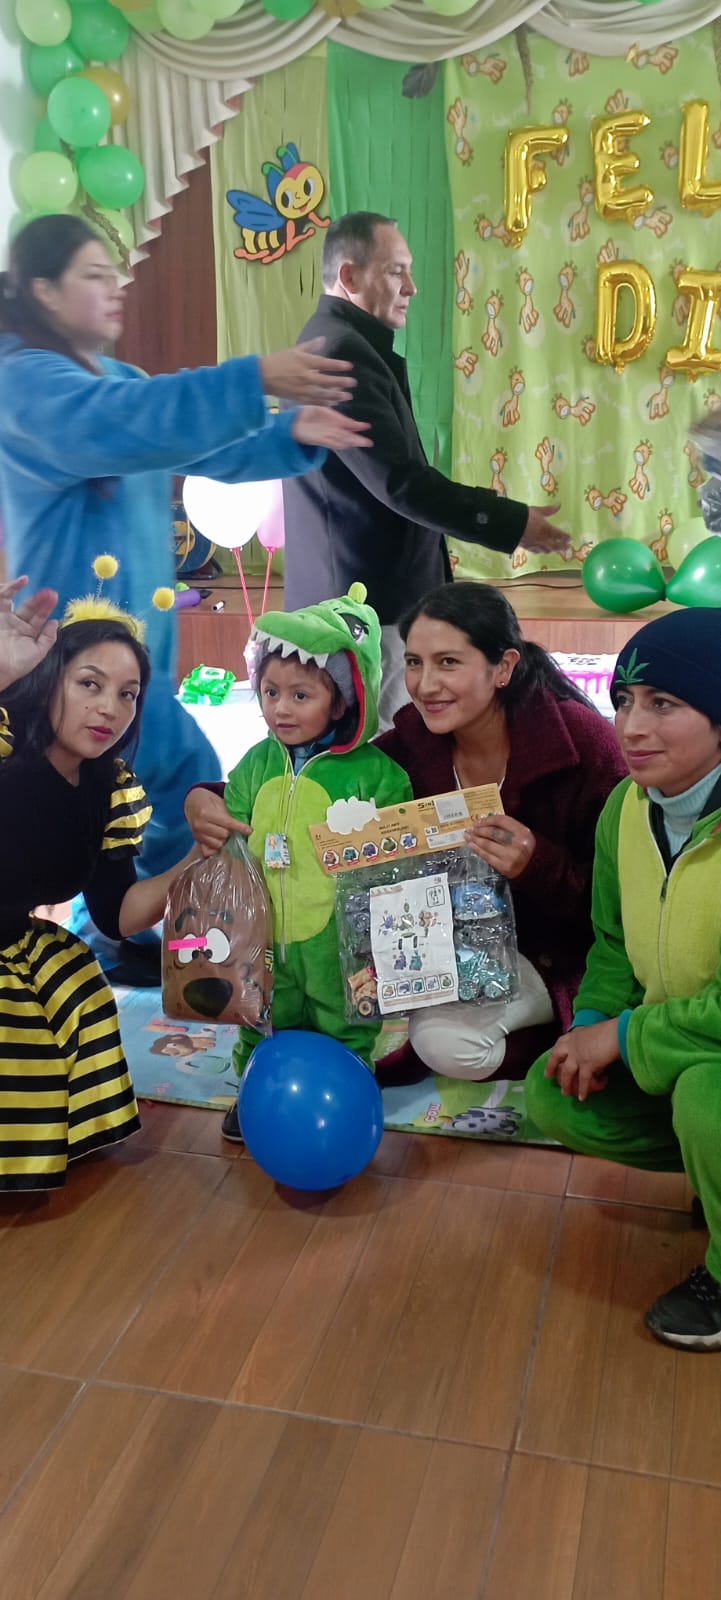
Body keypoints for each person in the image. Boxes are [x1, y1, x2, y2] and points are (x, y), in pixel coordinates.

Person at [0, 215, 371, 974]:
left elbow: (205, 445)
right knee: (112, 820)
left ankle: (134, 943)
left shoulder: (119, 380)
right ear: (44, 291)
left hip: (136, 678)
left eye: (114, 274)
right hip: (68, 672)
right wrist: (254, 378)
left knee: (168, 802)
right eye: (92, 276)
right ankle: (111, 948)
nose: (114, 289)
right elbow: (124, 424)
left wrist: (294, 433)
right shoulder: (24, 383)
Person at [282, 211, 572, 729]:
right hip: (362, 606)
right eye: (396, 271)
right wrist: (510, 521)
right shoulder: (340, 353)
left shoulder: (345, 343)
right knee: (379, 752)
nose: (411, 288)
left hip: (369, 601)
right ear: (349, 276)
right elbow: (400, 484)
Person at [526, 609, 721, 1352]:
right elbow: (611, 941)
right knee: (555, 1090)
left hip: (699, 1061)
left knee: (707, 1100)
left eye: (663, 704)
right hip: (679, 1042)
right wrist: (590, 1025)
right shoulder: (625, 807)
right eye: (624, 702)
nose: (631, 728)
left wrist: (626, 1035)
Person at [374, 582, 627, 1084]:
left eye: (448, 662)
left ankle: (561, 1039)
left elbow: (627, 901)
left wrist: (539, 866)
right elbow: (323, 787)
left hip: (561, 955)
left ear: (504, 667)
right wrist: (216, 798)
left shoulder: (582, 744)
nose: (425, 685)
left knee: (443, 1043)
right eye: (414, 662)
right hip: (457, 946)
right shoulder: (411, 744)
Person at [184, 587, 412, 1142]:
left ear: (341, 701)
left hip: (339, 938)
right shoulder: (254, 765)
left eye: (301, 695)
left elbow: (399, 856)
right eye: (270, 692)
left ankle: (350, 1091)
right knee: (260, 1015)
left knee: (346, 1017)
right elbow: (231, 836)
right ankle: (254, 1091)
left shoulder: (378, 774)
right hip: (264, 933)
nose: (280, 708)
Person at [0, 594, 203, 1191]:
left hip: (13, 939)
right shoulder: (6, 744)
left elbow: (117, 915)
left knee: (76, 977)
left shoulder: (106, 785)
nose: (109, 708)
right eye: (90, 683)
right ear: (49, 679)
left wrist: (198, 857)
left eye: (127, 693)